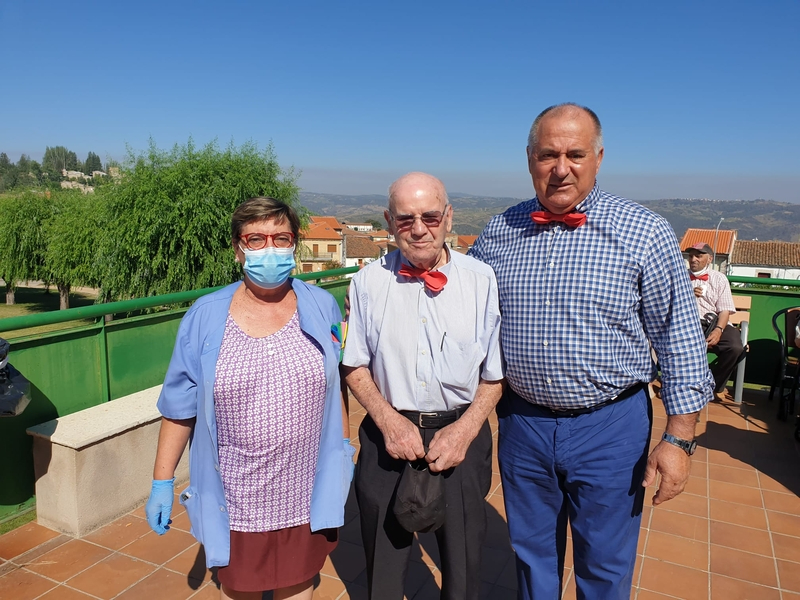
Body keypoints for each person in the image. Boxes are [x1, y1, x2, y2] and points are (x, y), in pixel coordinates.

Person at [469, 104, 714, 599]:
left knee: (604, 566)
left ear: (598, 158)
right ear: (529, 159)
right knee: (530, 556)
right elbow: (457, 301)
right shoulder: (498, 233)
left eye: (575, 154)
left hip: (611, 427)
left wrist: (680, 439)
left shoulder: (643, 232)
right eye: (548, 155)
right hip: (522, 424)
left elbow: (679, 339)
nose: (561, 168)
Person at [145, 197, 355, 600]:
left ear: (295, 243)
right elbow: (178, 407)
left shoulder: (321, 304)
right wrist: (162, 481)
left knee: (299, 586)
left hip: (305, 490)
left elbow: (335, 385)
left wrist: (344, 449)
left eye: (281, 238)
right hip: (236, 497)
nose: (270, 249)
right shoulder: (205, 316)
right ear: (237, 248)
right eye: (256, 239)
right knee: (239, 590)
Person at [342, 172, 504, 600]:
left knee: (463, 562)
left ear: (448, 218)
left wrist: (464, 431)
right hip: (387, 438)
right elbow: (354, 365)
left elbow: (494, 376)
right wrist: (388, 422)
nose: (419, 228)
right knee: (383, 565)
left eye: (430, 216)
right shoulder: (367, 283)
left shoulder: (481, 280)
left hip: (461, 438)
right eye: (405, 218)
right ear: (388, 221)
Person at [687, 242, 745, 400]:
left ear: (709, 258)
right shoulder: (680, 277)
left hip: (716, 322)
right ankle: (686, 386)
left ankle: (714, 385)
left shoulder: (719, 279)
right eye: (691, 256)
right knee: (684, 344)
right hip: (689, 323)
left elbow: (725, 310)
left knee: (734, 347)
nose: (693, 259)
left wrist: (718, 330)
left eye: (698, 256)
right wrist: (688, 294)